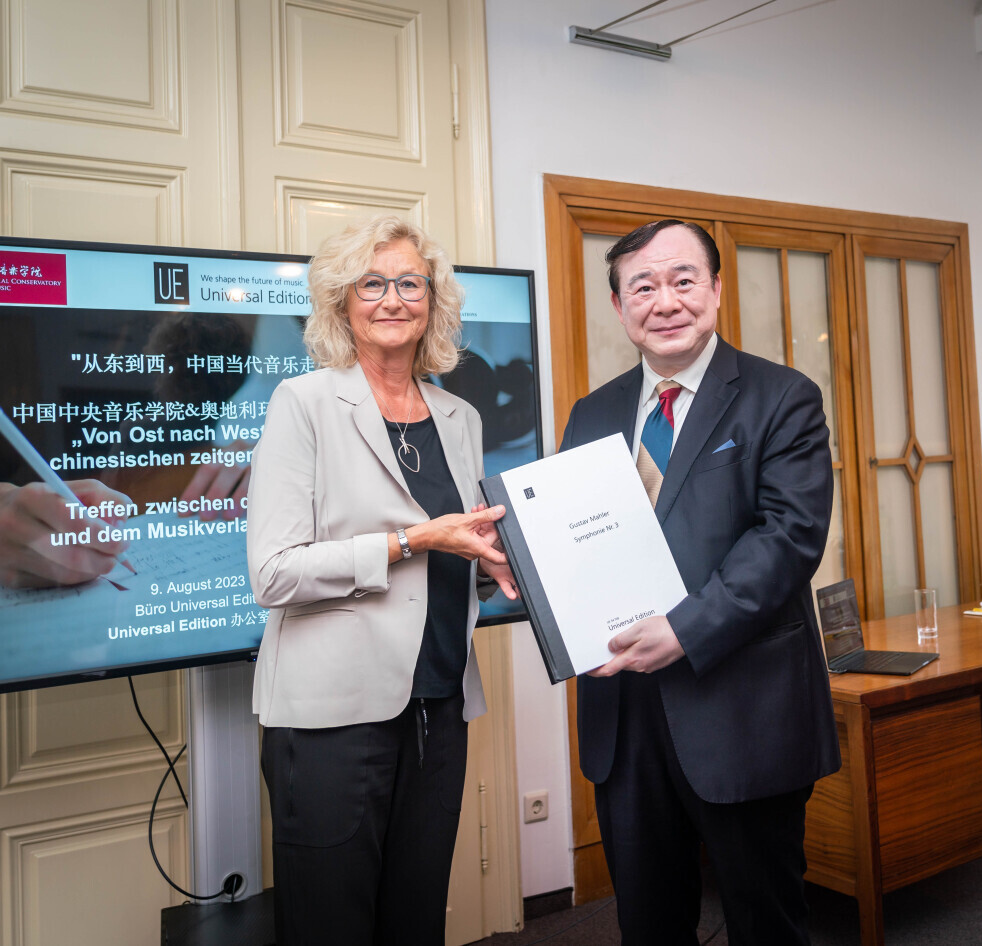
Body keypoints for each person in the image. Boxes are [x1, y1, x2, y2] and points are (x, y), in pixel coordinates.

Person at [559, 219, 840, 945]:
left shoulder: (781, 397)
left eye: (683, 279)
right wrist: (532, 572)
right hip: (625, 714)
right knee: (648, 923)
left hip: (743, 706)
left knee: (765, 921)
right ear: (619, 306)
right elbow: (574, 540)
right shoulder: (592, 413)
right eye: (642, 287)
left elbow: (788, 539)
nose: (666, 301)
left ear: (715, 288)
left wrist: (684, 630)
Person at [247, 215, 517, 945]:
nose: (393, 299)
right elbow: (274, 574)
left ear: (433, 300)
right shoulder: (303, 403)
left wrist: (496, 565)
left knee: (416, 920)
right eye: (372, 284)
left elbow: (452, 556)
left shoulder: (459, 416)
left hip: (440, 708)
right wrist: (411, 540)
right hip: (333, 718)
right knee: (331, 927)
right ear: (342, 302)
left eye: (409, 283)